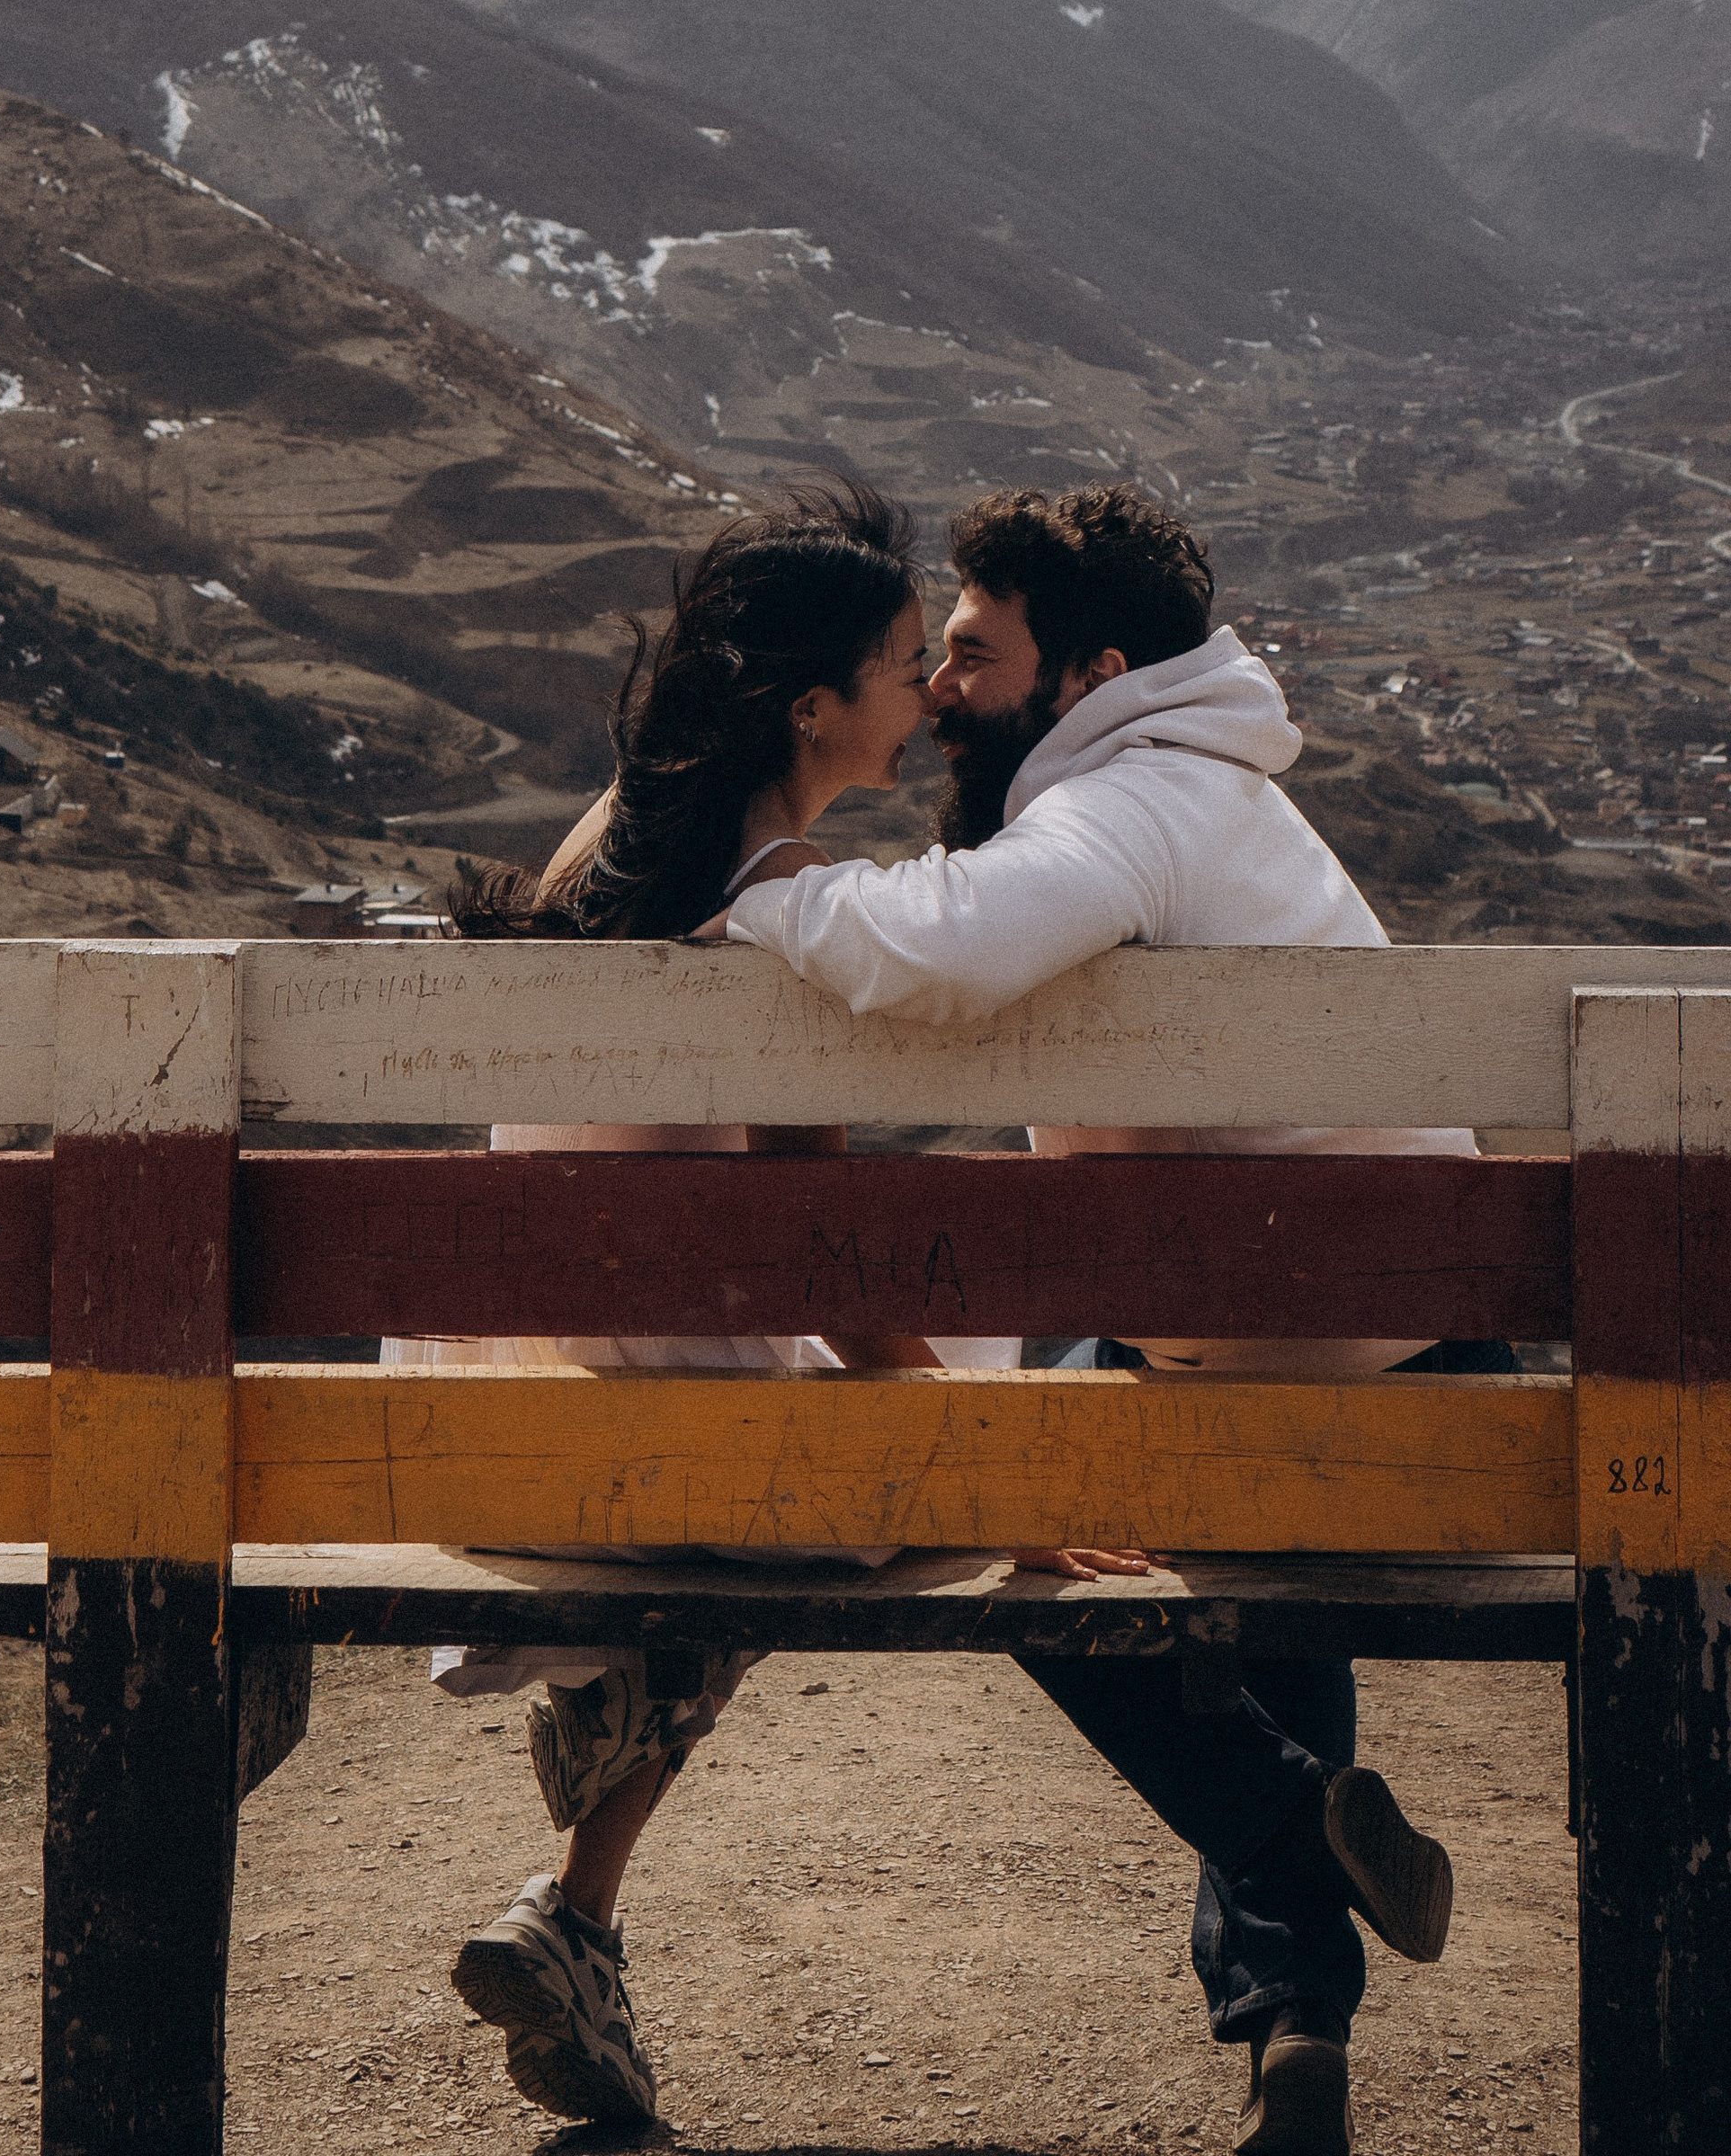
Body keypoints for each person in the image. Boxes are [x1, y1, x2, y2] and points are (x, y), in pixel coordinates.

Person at [698, 483, 1476, 2156]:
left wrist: (766, 891)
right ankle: (1293, 2028)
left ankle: (1281, 1836)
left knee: (1004, 1519)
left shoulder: (1135, 804)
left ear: (1090, 670)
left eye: (973, 653)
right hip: (1385, 1340)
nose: (940, 686)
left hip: (1291, 1356)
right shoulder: (1185, 797)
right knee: (1209, 1535)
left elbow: (950, 954)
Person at [410, 486, 959, 2129]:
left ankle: (585, 1894)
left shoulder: (614, 826)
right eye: (904, 666)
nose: (928, 691)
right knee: (887, 1478)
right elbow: (828, 1264)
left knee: (763, 1454)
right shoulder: (786, 896)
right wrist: (998, 1452)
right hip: (697, 1389)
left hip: (531, 1357)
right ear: (815, 708)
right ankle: (588, 1854)